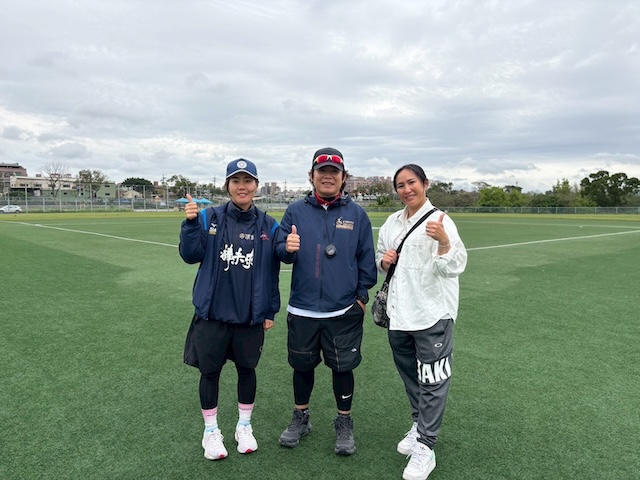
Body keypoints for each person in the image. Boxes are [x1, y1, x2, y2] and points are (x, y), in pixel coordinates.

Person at [275, 147, 377, 455]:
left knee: (342, 368)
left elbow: (366, 261)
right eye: (322, 171)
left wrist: (360, 299)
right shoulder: (295, 210)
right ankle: (301, 417)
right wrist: (287, 248)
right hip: (302, 308)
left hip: (343, 310)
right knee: (302, 367)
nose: (328, 176)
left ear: (344, 177)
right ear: (312, 176)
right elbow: (279, 251)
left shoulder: (357, 215)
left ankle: (344, 422)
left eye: (335, 172)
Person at [179, 158, 280, 460]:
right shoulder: (208, 217)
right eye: (236, 181)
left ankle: (244, 426)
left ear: (256, 186)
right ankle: (210, 431)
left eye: (247, 181)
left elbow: (274, 268)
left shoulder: (268, 225)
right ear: (227, 186)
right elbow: (190, 255)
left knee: (247, 371)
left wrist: (270, 310)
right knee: (210, 373)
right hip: (213, 315)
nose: (242, 186)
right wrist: (190, 224)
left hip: (249, 317)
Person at [375, 164, 467, 480]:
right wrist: (383, 260)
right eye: (400, 185)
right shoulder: (391, 222)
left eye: (411, 182)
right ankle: (418, 425)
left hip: (432, 315)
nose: (406, 189)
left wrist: (443, 242)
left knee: (433, 381)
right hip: (399, 315)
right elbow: (380, 258)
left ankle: (426, 446)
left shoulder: (441, 220)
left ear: (425, 184)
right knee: (411, 377)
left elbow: (454, 266)